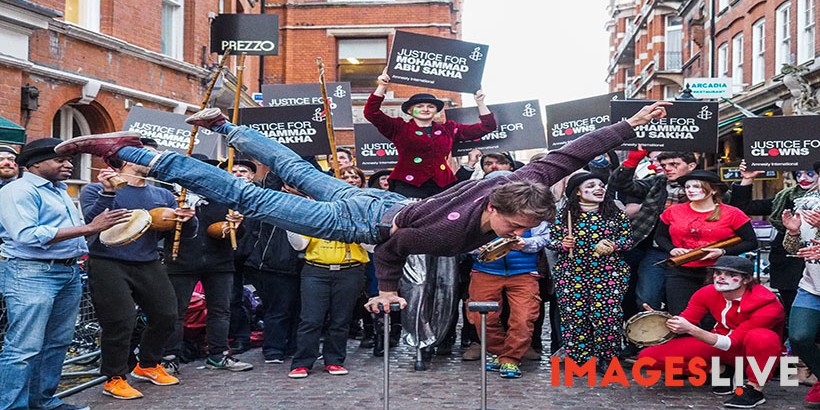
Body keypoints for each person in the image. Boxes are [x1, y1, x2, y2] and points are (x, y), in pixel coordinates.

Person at [53, 101, 672, 313]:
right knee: (253, 196)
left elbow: (576, 148)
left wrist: (634, 124)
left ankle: (230, 129)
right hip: (363, 219)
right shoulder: (447, 235)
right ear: (500, 212)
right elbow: (392, 247)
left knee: (297, 167)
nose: (525, 230)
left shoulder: (528, 180)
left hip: (377, 197)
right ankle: (149, 156)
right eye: (520, 226)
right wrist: (386, 289)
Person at [0, 138, 129, 410]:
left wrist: (99, 216)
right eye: (60, 160)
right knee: (24, 348)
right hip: (31, 273)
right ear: (35, 164)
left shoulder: (58, 189)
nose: (69, 165)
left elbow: (84, 226)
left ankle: (44, 402)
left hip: (66, 271)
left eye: (69, 160)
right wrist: (90, 228)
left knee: (57, 343)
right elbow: (26, 235)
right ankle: (12, 406)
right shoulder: (17, 191)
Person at [80, 151, 197, 399]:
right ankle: (114, 378)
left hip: (147, 261)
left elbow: (183, 235)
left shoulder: (163, 194)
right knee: (120, 321)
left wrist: (187, 220)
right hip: (107, 261)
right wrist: (109, 192)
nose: (152, 164)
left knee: (167, 314)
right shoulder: (94, 189)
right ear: (127, 161)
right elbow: (90, 223)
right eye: (146, 158)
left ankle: (147, 365)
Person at [638, 256, 785, 409]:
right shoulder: (707, 292)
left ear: (746, 280)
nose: (721, 278)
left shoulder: (767, 303)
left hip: (750, 352)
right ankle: (723, 370)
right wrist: (660, 320)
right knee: (647, 358)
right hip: (719, 344)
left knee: (763, 337)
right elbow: (686, 320)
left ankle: (754, 388)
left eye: (731, 274)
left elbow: (732, 342)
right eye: (718, 272)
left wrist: (691, 329)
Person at [161, 155, 254, 374]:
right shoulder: (173, 196)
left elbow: (236, 234)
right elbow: (158, 228)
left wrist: (237, 226)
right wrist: (173, 218)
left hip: (219, 261)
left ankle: (218, 354)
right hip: (181, 261)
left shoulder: (224, 197)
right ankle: (170, 357)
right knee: (176, 311)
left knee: (220, 310)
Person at [286, 165, 371, 379]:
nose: (349, 180)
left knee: (341, 319)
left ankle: (334, 360)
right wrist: (291, 222)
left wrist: (358, 223)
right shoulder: (317, 207)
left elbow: (372, 247)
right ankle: (302, 362)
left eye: (354, 177)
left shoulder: (366, 208)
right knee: (310, 319)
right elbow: (299, 245)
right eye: (344, 177)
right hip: (316, 270)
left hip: (350, 271)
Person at [467, 169, 550, 378]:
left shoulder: (533, 208)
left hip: (524, 272)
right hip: (485, 270)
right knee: (481, 317)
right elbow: (463, 240)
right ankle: (499, 354)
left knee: (523, 318)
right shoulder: (477, 212)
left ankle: (511, 359)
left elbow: (544, 238)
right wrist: (481, 248)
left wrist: (525, 243)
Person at [545, 171, 633, 369]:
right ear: (578, 192)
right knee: (575, 316)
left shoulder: (615, 214)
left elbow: (628, 241)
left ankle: (607, 357)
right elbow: (551, 241)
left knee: (607, 315)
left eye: (601, 185)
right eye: (591, 186)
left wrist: (614, 245)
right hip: (572, 273)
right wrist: (563, 244)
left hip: (608, 273)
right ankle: (580, 358)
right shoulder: (565, 214)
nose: (598, 188)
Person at [364, 70, 496, 198]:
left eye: (430, 106)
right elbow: (371, 113)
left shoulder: (449, 129)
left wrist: (480, 102)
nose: (425, 109)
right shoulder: (399, 127)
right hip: (408, 184)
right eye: (419, 106)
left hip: (442, 184)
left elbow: (487, 126)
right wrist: (382, 86)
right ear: (410, 111)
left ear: (436, 111)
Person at [654, 170, 758, 316]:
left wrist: (722, 252)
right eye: (688, 187)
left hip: (718, 271)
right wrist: (672, 249)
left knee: (713, 316)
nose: (690, 190)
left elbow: (751, 242)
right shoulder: (673, 211)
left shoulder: (732, 213)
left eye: (696, 186)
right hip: (680, 270)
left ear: (713, 190)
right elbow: (660, 237)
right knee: (681, 315)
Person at [781, 182, 820, 407]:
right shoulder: (809, 207)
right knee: (799, 338)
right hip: (811, 287)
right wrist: (793, 231)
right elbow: (794, 249)